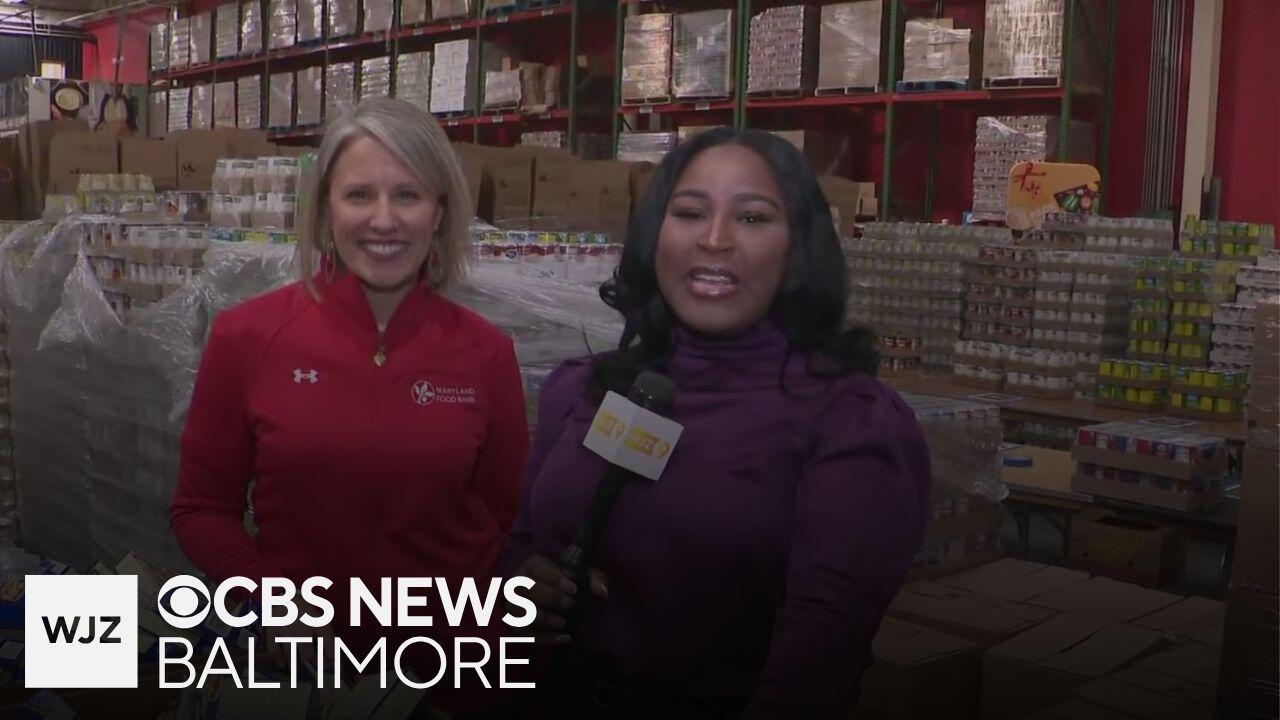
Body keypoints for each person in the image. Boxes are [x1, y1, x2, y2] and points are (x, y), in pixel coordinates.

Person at [502, 127, 932, 718]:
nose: (714, 239)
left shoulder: (852, 424)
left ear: (799, 247)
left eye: (752, 218)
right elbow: (524, 541)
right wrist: (525, 589)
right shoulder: (581, 388)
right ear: (655, 233)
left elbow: (820, 658)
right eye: (689, 213)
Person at [171, 98, 529, 714]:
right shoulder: (248, 337)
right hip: (306, 679)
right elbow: (201, 508)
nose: (383, 220)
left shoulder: (486, 353)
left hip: (452, 681)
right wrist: (271, 599)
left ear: (440, 211)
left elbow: (508, 519)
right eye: (359, 195)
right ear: (324, 209)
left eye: (408, 195)